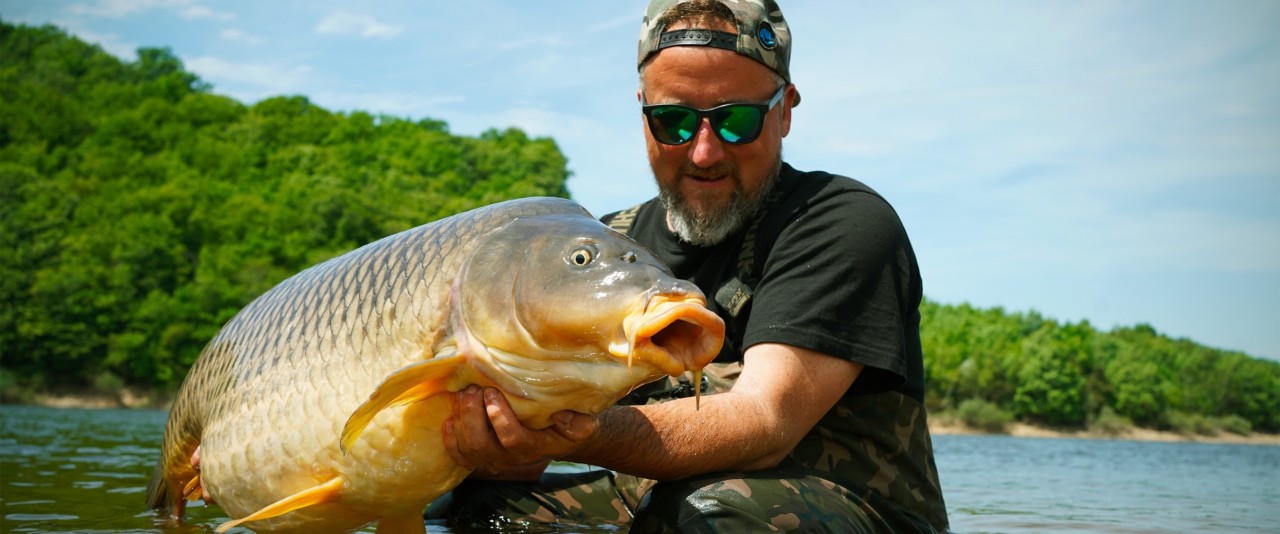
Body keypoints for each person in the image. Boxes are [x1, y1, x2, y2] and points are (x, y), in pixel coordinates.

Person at [432, 0, 949, 532]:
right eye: (673, 121)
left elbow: (764, 422)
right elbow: (531, 443)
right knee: (475, 506)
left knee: (707, 511)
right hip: (653, 498)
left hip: (838, 510)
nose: (703, 152)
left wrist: (582, 434)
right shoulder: (608, 247)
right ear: (643, 114)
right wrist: (504, 438)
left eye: (736, 121)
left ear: (785, 110)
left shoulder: (840, 221)